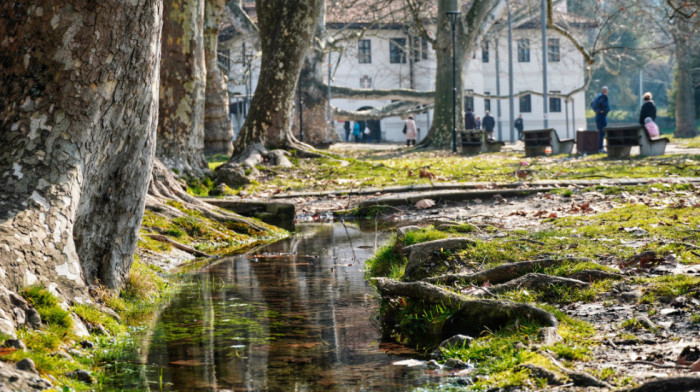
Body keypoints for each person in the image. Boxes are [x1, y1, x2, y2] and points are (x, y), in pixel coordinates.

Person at [591, 86, 610, 153]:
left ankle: (599, 147)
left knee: (600, 132)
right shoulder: (603, 97)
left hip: (597, 116)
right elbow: (602, 103)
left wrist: (597, 111)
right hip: (602, 116)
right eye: (607, 90)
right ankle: (601, 148)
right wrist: (603, 110)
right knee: (602, 133)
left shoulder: (597, 96)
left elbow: (592, 104)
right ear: (605, 91)